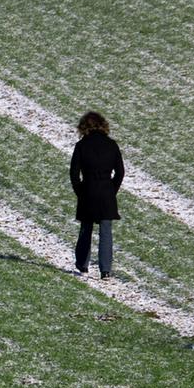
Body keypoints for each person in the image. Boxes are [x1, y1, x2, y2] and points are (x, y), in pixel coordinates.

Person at [69, 111, 125, 279]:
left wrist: (80, 192)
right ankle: (105, 270)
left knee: (86, 229)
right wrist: (112, 190)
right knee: (106, 232)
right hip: (107, 192)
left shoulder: (81, 146)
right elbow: (120, 172)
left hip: (88, 190)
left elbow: (74, 174)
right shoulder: (112, 145)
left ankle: (83, 266)